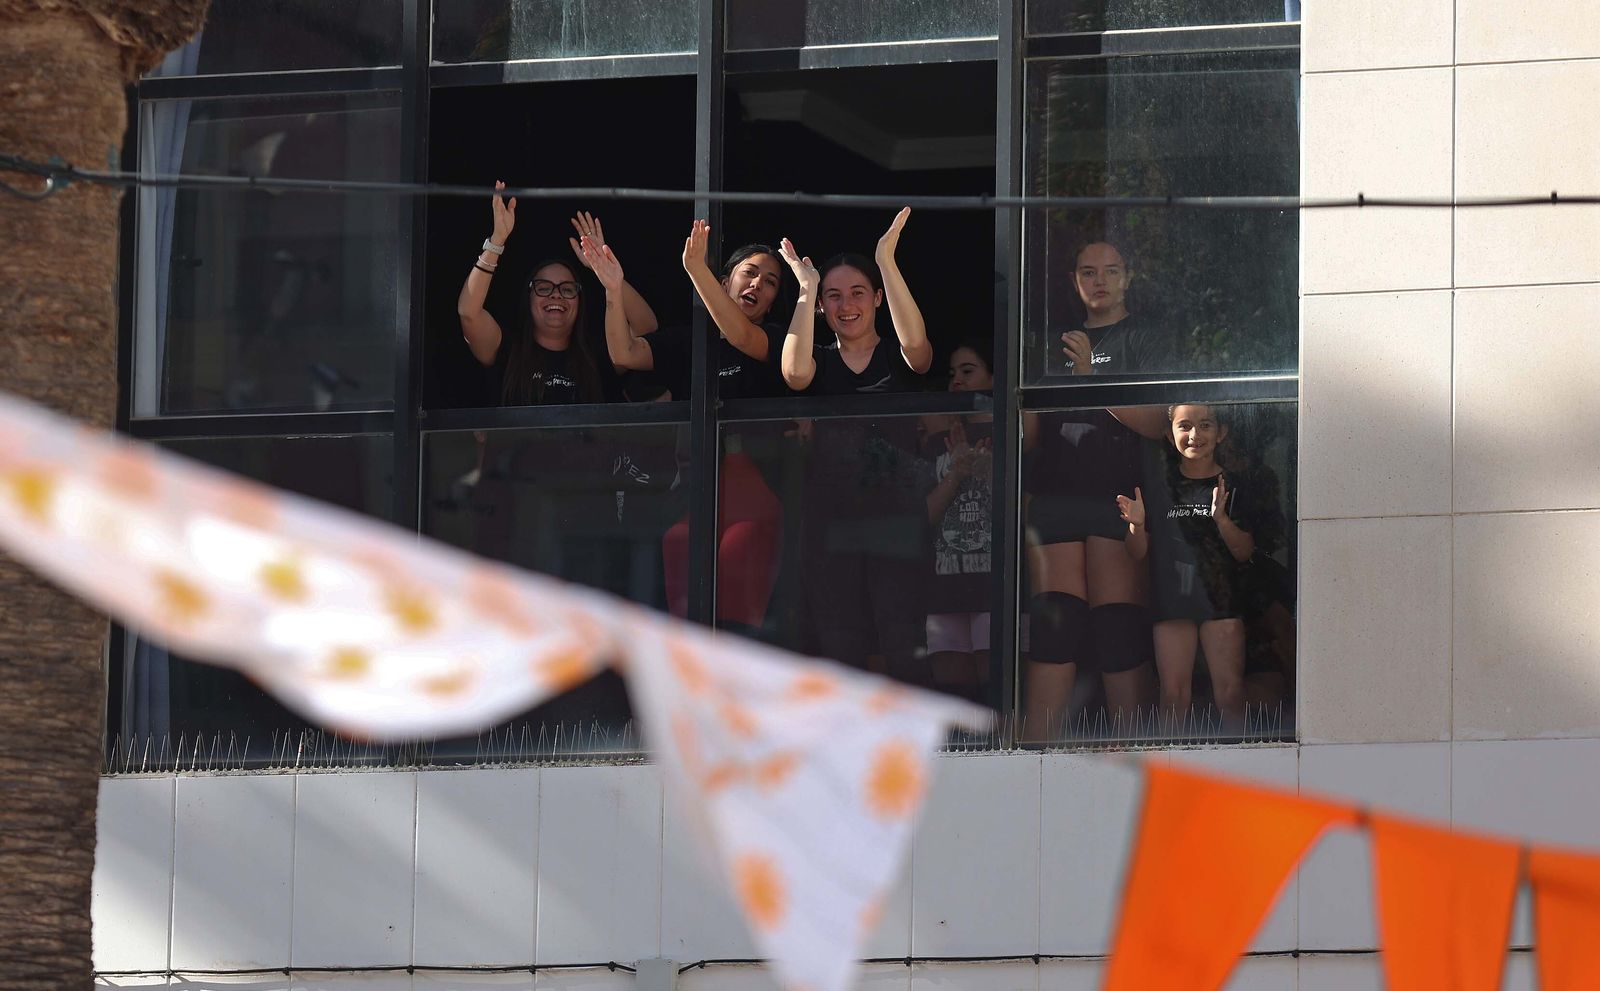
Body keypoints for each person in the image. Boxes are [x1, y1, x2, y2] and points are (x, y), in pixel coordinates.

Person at [582, 222, 793, 631]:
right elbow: (624, 354)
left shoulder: (776, 339)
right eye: (750, 272)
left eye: (770, 282)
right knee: (684, 617)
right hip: (693, 495)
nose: (758, 285)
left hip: (755, 497)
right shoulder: (688, 343)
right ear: (725, 280)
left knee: (732, 619)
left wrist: (696, 271)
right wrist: (612, 291)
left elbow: (738, 334)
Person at [776, 209, 934, 686]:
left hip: (897, 520)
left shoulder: (897, 355)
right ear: (822, 308)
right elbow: (793, 374)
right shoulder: (818, 359)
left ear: (879, 298)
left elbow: (920, 348)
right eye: (835, 296)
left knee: (900, 638)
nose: (847, 305)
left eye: (858, 293)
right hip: (831, 524)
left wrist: (886, 258)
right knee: (840, 644)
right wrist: (806, 289)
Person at [1023, 241, 1169, 739]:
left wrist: (1091, 378)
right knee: (1054, 629)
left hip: (1120, 500)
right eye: (1088, 271)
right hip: (1058, 497)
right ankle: (1033, 762)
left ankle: (1140, 763)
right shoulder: (1054, 342)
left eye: (1110, 270)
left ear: (1127, 278)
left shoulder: (1144, 338)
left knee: (1118, 631)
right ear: (1074, 281)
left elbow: (1159, 424)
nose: (1099, 280)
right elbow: (1034, 436)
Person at [1116, 404, 1264, 731]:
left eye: (1205, 425)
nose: (1194, 435)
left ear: (1221, 432)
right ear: (1170, 436)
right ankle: (1174, 772)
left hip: (1221, 601)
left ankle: (1237, 771)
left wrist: (1222, 520)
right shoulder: (1158, 488)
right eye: (1185, 426)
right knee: (1173, 695)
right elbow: (1136, 553)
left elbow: (1244, 552)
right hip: (1173, 601)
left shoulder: (1234, 485)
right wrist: (1136, 526)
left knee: (1229, 693)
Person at [458, 183, 656, 405]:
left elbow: (646, 328)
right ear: (528, 298)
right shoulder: (507, 351)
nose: (556, 295)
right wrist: (496, 242)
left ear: (579, 302)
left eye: (567, 289)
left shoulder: (598, 356)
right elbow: (468, 312)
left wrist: (607, 275)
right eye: (544, 287)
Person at [921, 341, 996, 704]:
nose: (958, 382)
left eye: (969, 371)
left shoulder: (1014, 435)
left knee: (994, 703)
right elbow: (924, 518)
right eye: (953, 374)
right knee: (955, 707)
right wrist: (956, 473)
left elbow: (1025, 512)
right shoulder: (939, 443)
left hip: (996, 590)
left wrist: (986, 472)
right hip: (944, 588)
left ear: (995, 377)